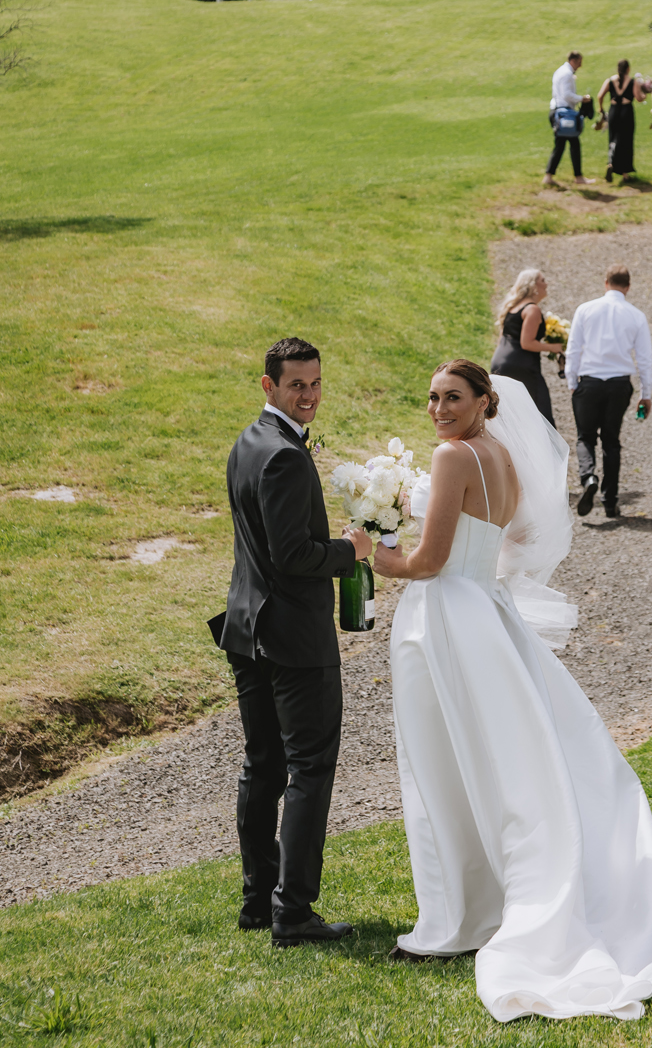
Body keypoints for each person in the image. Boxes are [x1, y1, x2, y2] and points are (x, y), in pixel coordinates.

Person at [373, 361, 652, 1021]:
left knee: (442, 768)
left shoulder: (452, 457)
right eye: (433, 397)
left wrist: (365, 551)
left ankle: (454, 922)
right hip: (489, 614)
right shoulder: (499, 453)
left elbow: (427, 562)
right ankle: (486, 905)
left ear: (483, 401)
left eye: (453, 397)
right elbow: (520, 536)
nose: (440, 409)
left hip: (443, 616)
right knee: (501, 763)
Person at [210, 337, 371, 946]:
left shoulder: (247, 443)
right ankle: (293, 913)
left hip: (247, 630)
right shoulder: (283, 456)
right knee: (309, 770)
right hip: (292, 641)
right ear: (268, 386)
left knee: (264, 765)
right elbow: (293, 556)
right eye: (295, 385)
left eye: (315, 384)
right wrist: (350, 552)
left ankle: (257, 900)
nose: (308, 396)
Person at [564, 265, 652, 518]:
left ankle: (588, 477)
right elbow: (645, 359)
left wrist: (572, 382)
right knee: (611, 441)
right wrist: (646, 394)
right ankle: (610, 500)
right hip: (618, 384)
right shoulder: (636, 315)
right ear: (628, 286)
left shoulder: (585, 309)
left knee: (585, 437)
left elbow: (573, 349)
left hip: (589, 381)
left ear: (605, 283)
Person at [490, 267, 564, 426]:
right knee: (540, 409)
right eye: (543, 280)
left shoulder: (511, 307)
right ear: (533, 286)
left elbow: (503, 336)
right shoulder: (532, 309)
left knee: (509, 410)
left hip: (500, 361)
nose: (546, 284)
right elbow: (527, 342)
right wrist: (554, 347)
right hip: (521, 364)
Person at [543, 50, 595, 186]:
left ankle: (550, 176)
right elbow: (566, 95)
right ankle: (576, 177)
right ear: (573, 60)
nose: (580, 65)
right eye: (579, 62)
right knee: (570, 144)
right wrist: (582, 99)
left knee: (563, 145)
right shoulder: (566, 74)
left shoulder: (561, 71)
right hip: (564, 114)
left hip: (559, 112)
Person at [597, 57, 646, 183]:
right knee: (626, 141)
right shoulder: (632, 81)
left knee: (613, 139)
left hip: (613, 111)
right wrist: (645, 93)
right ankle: (625, 173)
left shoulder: (610, 80)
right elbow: (639, 98)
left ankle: (611, 163)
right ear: (628, 69)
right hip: (626, 112)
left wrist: (602, 110)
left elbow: (600, 95)